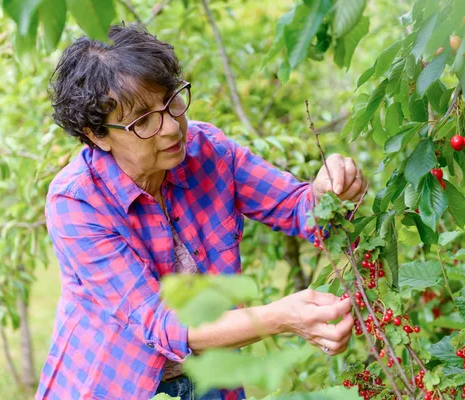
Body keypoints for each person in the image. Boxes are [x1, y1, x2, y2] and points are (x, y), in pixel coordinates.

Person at [36, 23, 368, 400]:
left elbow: (298, 208)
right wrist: (279, 318)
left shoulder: (206, 150)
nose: (171, 128)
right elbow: (163, 325)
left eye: (172, 100)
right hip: (118, 387)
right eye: (143, 120)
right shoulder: (77, 202)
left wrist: (330, 190)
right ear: (96, 134)